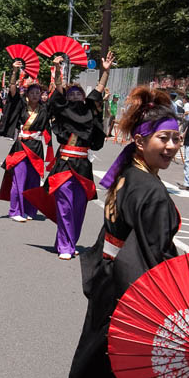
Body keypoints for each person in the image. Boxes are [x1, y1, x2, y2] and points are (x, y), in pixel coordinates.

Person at [50, 86, 182, 378]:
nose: (172, 146)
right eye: (164, 138)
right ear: (140, 141)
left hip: (111, 279)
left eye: (176, 138)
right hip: (131, 286)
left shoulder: (129, 176)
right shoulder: (151, 191)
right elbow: (153, 254)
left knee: (112, 363)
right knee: (164, 369)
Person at [24, 53, 112, 260]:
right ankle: (65, 246)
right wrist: (57, 70)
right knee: (64, 206)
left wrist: (105, 71)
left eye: (77, 94)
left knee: (78, 209)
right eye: (70, 94)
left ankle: (66, 241)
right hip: (63, 165)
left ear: (83, 96)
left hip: (83, 167)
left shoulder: (90, 109)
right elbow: (59, 90)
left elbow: (98, 91)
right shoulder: (62, 111)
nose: (73, 96)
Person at [0, 62, 51, 223]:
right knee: (19, 180)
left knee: (33, 182)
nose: (35, 95)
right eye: (32, 92)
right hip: (21, 147)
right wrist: (14, 71)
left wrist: (57, 74)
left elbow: (57, 99)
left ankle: (29, 209)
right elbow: (12, 90)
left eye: (37, 93)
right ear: (27, 95)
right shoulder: (21, 106)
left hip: (36, 148)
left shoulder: (44, 109)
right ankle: (15, 210)